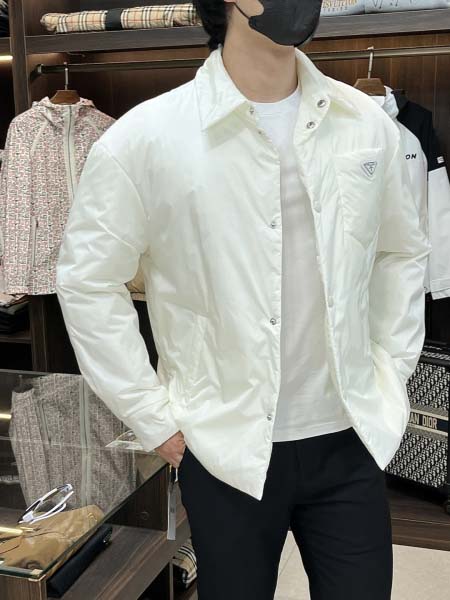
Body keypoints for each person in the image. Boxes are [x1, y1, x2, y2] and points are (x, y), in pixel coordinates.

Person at [55, 1, 431, 598]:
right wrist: (153, 418)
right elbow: (87, 281)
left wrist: (391, 367)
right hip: (223, 444)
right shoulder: (146, 138)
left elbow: (400, 251)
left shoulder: (365, 124)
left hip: (349, 432)